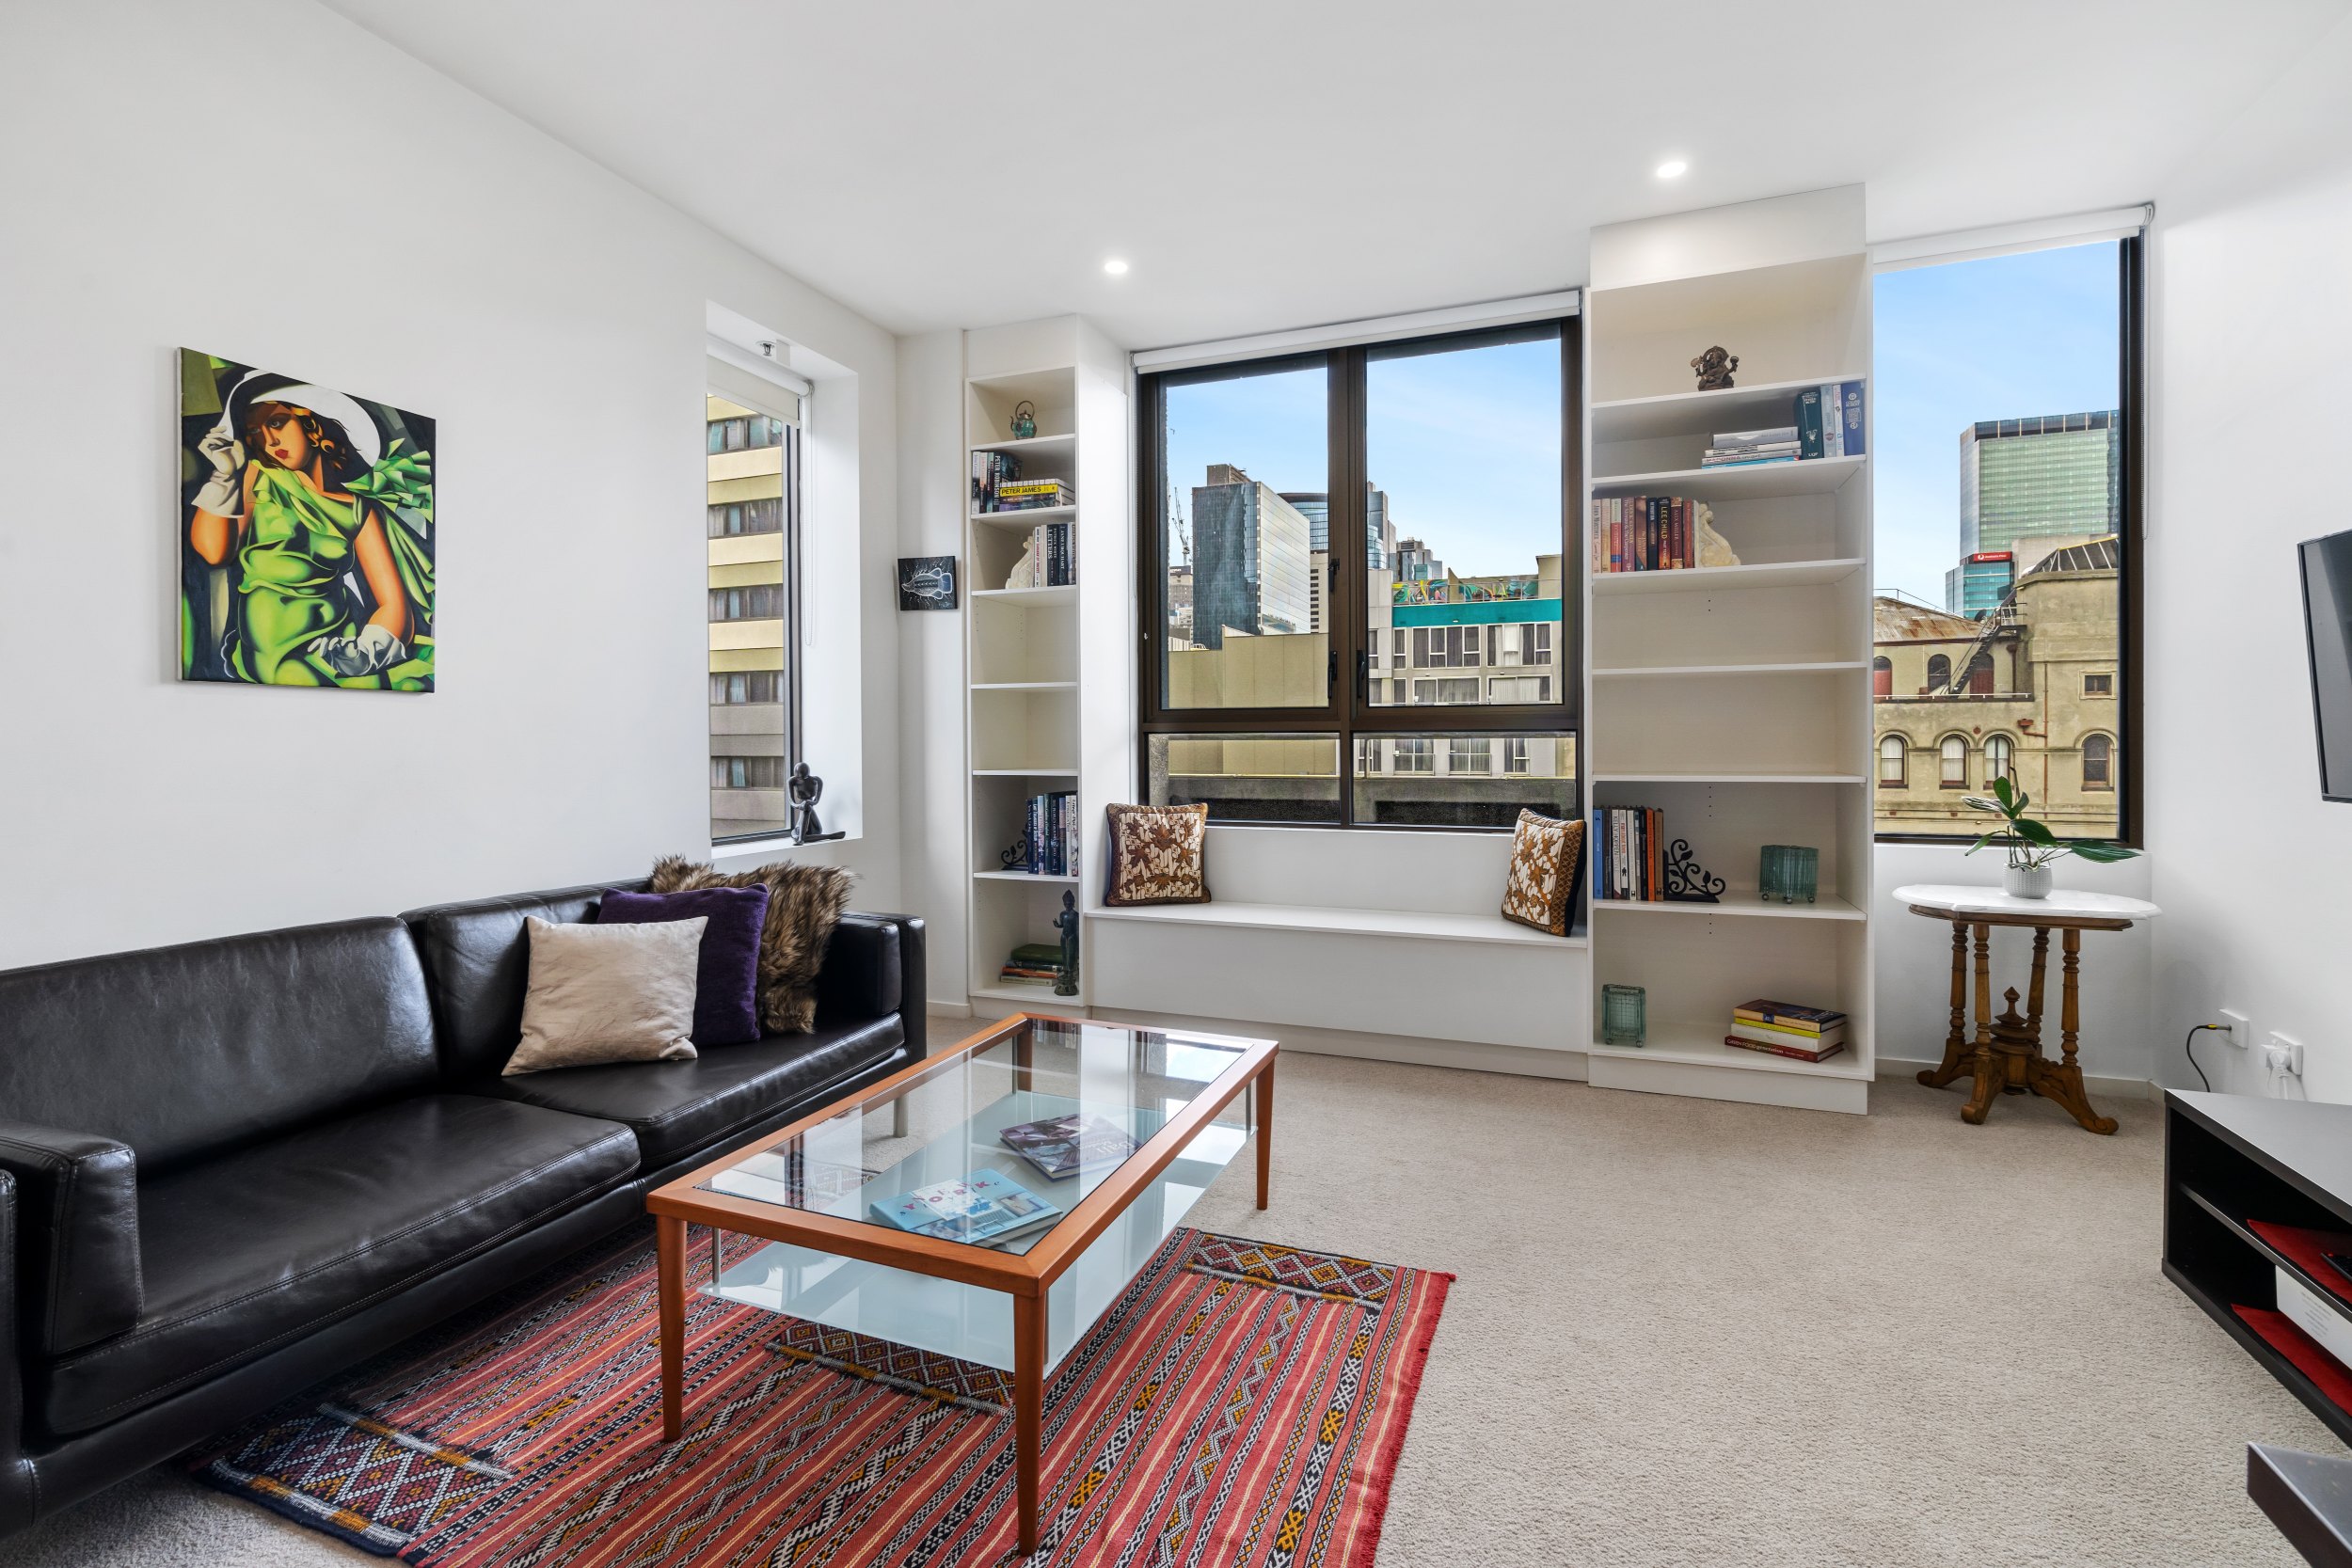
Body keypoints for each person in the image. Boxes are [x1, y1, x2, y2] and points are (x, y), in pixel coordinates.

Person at [187, 373, 433, 689]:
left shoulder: (357, 508)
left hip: (338, 646)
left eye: (277, 423)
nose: (269, 441)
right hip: (274, 651)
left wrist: (366, 652)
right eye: (255, 431)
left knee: (411, 685)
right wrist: (224, 475)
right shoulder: (257, 478)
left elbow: (394, 604)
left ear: (312, 422)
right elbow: (213, 552)